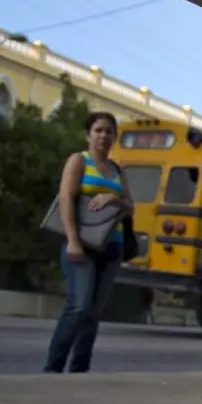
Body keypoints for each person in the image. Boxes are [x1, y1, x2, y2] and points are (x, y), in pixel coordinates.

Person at [45, 112, 133, 373]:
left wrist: (112, 198)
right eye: (98, 130)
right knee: (78, 305)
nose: (104, 136)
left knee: (94, 312)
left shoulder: (117, 170)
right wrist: (72, 240)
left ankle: (79, 370)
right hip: (81, 244)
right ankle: (53, 368)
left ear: (115, 137)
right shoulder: (78, 161)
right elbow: (66, 200)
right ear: (88, 134)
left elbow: (131, 208)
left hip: (111, 246)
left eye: (109, 131)